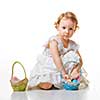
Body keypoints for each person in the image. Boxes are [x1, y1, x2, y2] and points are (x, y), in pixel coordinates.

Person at [28, 11, 89, 90]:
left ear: (74, 30)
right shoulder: (54, 41)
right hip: (51, 66)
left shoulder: (72, 44)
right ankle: (49, 81)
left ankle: (62, 80)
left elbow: (80, 60)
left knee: (74, 57)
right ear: (57, 27)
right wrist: (63, 73)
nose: (67, 32)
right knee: (46, 86)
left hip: (63, 66)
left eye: (70, 29)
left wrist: (76, 70)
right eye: (64, 28)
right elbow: (56, 59)